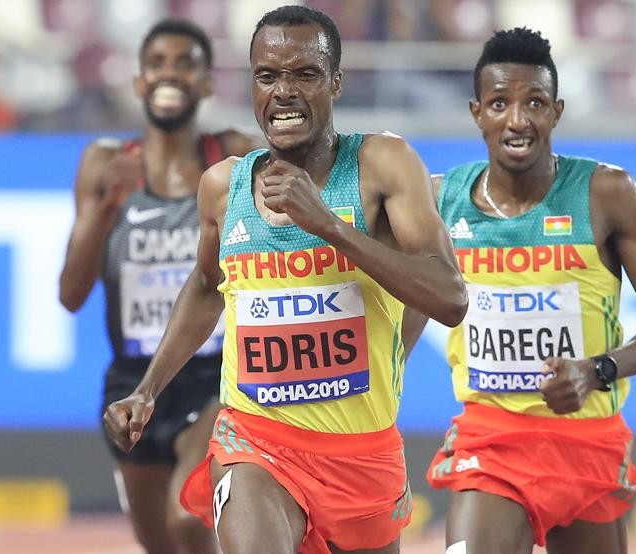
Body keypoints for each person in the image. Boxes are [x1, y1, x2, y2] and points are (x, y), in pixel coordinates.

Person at [103, 5, 468, 554]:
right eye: (268, 76)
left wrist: (328, 225)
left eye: (305, 74)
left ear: (336, 82)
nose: (284, 92)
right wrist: (147, 389)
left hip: (361, 454)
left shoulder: (382, 164)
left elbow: (450, 297)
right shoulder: (223, 186)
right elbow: (205, 287)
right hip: (257, 441)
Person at [417, 28, 636, 553]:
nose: (517, 120)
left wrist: (596, 370)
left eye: (535, 103)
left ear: (556, 112)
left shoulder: (607, 194)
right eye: (500, 103)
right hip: (491, 442)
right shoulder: (440, 200)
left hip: (587, 443)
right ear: (477, 113)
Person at [58, 18, 261, 554]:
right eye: (157, 64)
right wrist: (106, 208)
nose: (170, 74)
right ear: (139, 82)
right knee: (162, 544)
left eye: (185, 64)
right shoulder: (106, 164)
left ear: (207, 83)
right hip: (135, 380)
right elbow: (71, 295)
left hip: (218, 377)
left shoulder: (233, 157)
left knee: (187, 518)